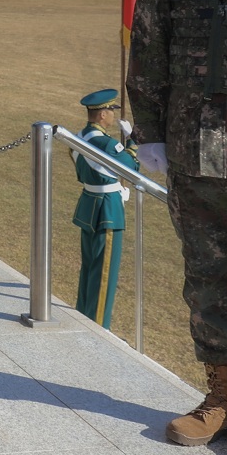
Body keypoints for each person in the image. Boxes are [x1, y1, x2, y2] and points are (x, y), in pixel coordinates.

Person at [128, 0, 227, 447]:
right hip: (200, 143)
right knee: (209, 271)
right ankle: (223, 395)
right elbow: (149, 42)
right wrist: (148, 132)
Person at [70, 89, 138, 330]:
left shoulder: (78, 136)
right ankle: (98, 327)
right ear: (101, 115)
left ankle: (83, 317)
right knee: (104, 274)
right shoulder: (106, 143)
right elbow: (132, 167)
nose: (112, 115)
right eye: (111, 110)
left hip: (90, 203)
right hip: (108, 209)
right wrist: (132, 140)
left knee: (90, 267)